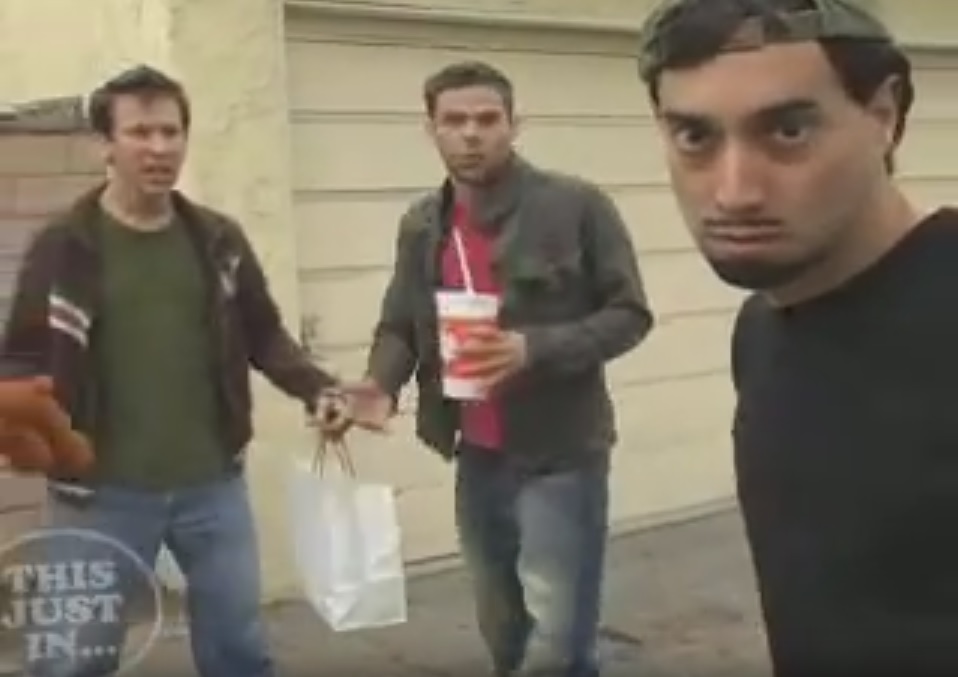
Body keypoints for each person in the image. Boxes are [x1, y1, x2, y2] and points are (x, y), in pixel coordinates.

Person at [637, 0, 958, 675]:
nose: (734, 192)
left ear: (884, 114)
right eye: (695, 137)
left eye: (787, 131)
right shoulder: (762, 328)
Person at [1, 65, 346, 677]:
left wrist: (317, 389)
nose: (159, 148)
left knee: (239, 652)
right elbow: (22, 356)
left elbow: (264, 334)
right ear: (105, 145)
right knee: (75, 659)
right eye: (140, 133)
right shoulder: (64, 246)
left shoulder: (217, 240)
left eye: (170, 132)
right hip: (95, 494)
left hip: (213, 488)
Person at [346, 61, 653, 676]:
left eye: (487, 119)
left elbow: (630, 315)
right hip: (477, 455)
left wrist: (531, 349)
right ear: (430, 129)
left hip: (561, 453)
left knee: (559, 644)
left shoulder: (575, 206)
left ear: (515, 125)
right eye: (454, 121)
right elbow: (401, 324)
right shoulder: (422, 225)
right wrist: (380, 384)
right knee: (503, 630)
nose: (471, 134)